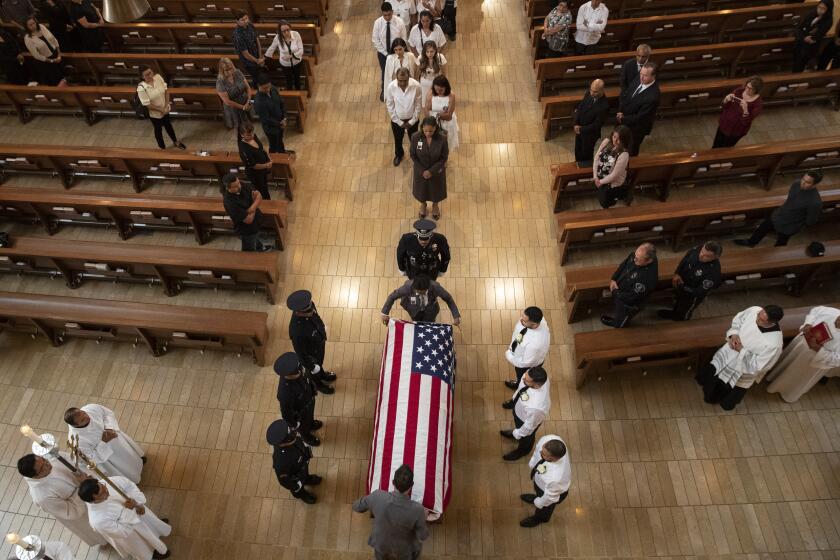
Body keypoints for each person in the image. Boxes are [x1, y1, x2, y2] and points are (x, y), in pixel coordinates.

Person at [696, 305, 784, 410]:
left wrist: (741, 351)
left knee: (726, 386)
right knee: (714, 368)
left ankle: (714, 399)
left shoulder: (774, 343)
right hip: (729, 351)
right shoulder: (755, 310)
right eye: (758, 315)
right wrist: (734, 334)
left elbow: (759, 365)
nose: (756, 319)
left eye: (761, 320)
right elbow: (739, 320)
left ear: (772, 322)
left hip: (741, 368)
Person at [17, 453, 106, 547]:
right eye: (42, 467)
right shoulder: (42, 497)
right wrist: (83, 485)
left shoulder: (50, 459)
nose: (47, 463)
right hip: (85, 511)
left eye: (43, 459)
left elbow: (70, 460)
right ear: (35, 476)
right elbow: (72, 512)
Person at [78, 477, 171, 560]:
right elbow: (123, 532)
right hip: (132, 534)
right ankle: (153, 552)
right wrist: (131, 510)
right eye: (102, 493)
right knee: (144, 545)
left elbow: (128, 484)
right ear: (93, 499)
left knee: (151, 523)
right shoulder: (97, 521)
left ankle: (157, 529)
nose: (106, 491)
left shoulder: (104, 483)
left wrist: (138, 502)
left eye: (103, 486)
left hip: (137, 511)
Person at [352, 464, 429, 559]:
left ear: (393, 482)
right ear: (411, 485)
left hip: (381, 546)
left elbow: (356, 506)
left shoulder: (377, 496)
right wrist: (423, 518)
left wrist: (372, 502)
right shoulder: (418, 510)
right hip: (404, 552)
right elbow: (423, 536)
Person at [766, 306, 839, 402]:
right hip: (801, 345)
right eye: (839, 319)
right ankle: (773, 377)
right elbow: (815, 311)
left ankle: (786, 392)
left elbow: (837, 359)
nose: (838, 322)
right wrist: (808, 324)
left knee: (797, 376)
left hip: (813, 361)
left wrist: (818, 348)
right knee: (787, 363)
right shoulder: (832, 312)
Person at [735, 170, 824, 247]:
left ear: (815, 184)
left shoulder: (815, 202)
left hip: (790, 225)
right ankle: (751, 242)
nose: (802, 183)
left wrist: (796, 223)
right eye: (803, 179)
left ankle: (776, 257)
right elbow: (790, 199)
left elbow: (810, 221)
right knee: (762, 228)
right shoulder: (796, 183)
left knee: (781, 243)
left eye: (807, 182)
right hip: (778, 215)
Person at [64, 404, 145, 484]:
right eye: (82, 420)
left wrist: (109, 427)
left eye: (84, 413)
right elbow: (91, 458)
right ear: (75, 425)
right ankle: (134, 478)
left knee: (130, 452)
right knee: (127, 466)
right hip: (111, 456)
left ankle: (140, 461)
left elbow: (107, 413)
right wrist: (103, 442)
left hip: (117, 439)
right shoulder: (76, 441)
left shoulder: (90, 408)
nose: (87, 417)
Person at [287, 289, 337, 395]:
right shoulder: (297, 332)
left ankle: (323, 375)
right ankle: (318, 385)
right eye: (307, 312)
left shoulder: (308, 306)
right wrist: (312, 367)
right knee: (313, 373)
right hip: (311, 356)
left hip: (318, 345)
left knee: (320, 365)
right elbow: (300, 354)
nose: (311, 312)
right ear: (298, 312)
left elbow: (316, 318)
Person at [658, 241, 722, 321]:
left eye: (707, 256)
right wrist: (677, 273)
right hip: (682, 282)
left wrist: (683, 287)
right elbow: (684, 260)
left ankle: (681, 320)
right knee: (678, 301)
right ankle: (674, 313)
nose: (701, 256)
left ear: (716, 257)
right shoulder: (697, 249)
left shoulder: (713, 272)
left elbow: (699, 292)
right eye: (702, 251)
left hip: (692, 295)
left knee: (684, 310)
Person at [601, 242, 658, 328]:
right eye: (635, 256)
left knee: (622, 318)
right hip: (621, 291)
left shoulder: (647, 278)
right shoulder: (637, 255)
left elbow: (632, 297)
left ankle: (618, 324)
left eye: (638, 259)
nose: (634, 259)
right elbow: (623, 265)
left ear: (649, 261)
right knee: (618, 309)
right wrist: (613, 279)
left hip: (629, 303)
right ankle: (617, 318)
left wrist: (615, 292)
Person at [500, 366, 551, 461]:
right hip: (520, 409)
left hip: (525, 420)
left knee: (526, 438)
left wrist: (518, 433)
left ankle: (522, 451)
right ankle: (517, 432)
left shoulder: (537, 407)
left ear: (536, 385)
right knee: (518, 427)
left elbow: (529, 426)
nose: (523, 379)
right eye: (525, 376)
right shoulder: (532, 375)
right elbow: (521, 388)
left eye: (526, 380)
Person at [519, 435, 571, 528]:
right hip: (542, 483)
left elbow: (550, 497)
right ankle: (537, 497)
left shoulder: (556, 478)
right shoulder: (549, 439)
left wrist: (539, 503)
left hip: (553, 492)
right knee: (539, 494)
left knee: (545, 508)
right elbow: (537, 450)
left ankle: (540, 518)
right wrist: (533, 463)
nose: (540, 452)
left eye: (543, 454)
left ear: (553, 458)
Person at [266, 419, 321, 504]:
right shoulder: (281, 462)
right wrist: (296, 486)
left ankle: (307, 479)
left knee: (305, 474)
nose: (294, 434)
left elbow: (300, 445)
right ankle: (302, 494)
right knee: (297, 490)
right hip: (295, 477)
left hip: (302, 465)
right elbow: (284, 481)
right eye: (291, 435)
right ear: (283, 442)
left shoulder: (292, 439)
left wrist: (307, 454)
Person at [274, 351, 323, 446]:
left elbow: (305, 379)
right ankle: (307, 438)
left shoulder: (298, 369)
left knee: (310, 416)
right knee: (304, 428)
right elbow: (286, 413)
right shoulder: (285, 393)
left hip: (308, 400)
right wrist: (294, 424)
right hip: (301, 412)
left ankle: (312, 424)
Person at [137, 66, 186, 151]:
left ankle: (175, 141)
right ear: (142, 77)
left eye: (150, 72)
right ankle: (162, 147)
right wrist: (161, 110)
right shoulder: (141, 88)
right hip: (155, 114)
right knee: (158, 130)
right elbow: (147, 104)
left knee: (168, 125)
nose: (150, 75)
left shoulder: (158, 77)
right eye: (146, 75)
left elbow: (166, 91)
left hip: (165, 109)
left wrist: (166, 105)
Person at [221, 173, 273, 252]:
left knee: (255, 237)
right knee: (249, 251)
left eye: (238, 183)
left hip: (255, 222)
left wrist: (251, 209)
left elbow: (259, 195)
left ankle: (260, 248)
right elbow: (248, 220)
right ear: (228, 188)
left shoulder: (241, 185)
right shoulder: (230, 203)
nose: (239, 186)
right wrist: (254, 202)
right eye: (235, 186)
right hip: (246, 230)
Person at [381, 273, 461, 324]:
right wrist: (385, 313)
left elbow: (448, 299)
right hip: (413, 309)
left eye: (423, 292)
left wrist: (456, 316)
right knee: (415, 320)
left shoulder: (435, 287)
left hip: (431, 310)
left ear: (428, 287)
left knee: (430, 322)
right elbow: (392, 297)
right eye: (418, 292)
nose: (420, 294)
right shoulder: (407, 287)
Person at [616, 62, 659, 156]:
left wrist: (623, 118)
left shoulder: (653, 96)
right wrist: (620, 110)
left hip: (635, 129)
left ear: (653, 76)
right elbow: (626, 94)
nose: (641, 78)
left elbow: (640, 117)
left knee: (631, 150)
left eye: (645, 76)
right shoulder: (639, 79)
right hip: (624, 119)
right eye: (641, 74)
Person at [410, 116, 448, 219]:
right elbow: (413, 155)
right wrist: (422, 171)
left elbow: (444, 157)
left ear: (435, 128)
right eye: (425, 130)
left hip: (436, 172)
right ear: (422, 127)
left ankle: (435, 206)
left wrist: (431, 171)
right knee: (421, 191)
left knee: (436, 191)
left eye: (430, 131)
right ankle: (423, 205)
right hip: (420, 171)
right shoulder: (415, 137)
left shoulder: (442, 138)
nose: (428, 133)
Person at [504, 306, 550, 389]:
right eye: (522, 316)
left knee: (523, 377)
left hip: (527, 365)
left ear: (534, 324)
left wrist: (508, 354)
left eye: (524, 321)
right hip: (521, 351)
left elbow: (524, 363)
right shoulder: (539, 318)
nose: (521, 320)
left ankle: (518, 385)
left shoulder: (535, 345)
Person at [712, 76, 763, 148]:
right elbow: (724, 107)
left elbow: (746, 122)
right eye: (747, 86)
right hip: (724, 123)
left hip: (736, 131)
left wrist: (745, 110)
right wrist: (726, 100)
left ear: (756, 90)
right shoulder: (739, 91)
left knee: (726, 148)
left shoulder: (758, 103)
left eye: (750, 89)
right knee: (716, 145)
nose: (747, 90)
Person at [385, 66, 422, 167]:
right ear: (396, 78)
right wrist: (399, 121)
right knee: (398, 139)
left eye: (405, 80)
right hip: (397, 120)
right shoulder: (391, 87)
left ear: (409, 77)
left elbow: (418, 104)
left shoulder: (416, 86)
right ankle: (399, 155)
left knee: (415, 139)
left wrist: (413, 120)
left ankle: (417, 155)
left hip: (412, 120)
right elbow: (390, 105)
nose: (402, 83)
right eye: (400, 80)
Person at [373, 2, 407, 101]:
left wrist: (399, 51)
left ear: (392, 12)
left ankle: (400, 90)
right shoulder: (378, 23)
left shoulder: (399, 22)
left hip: (398, 53)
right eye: (385, 15)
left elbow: (404, 38)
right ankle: (385, 90)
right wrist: (386, 53)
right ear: (382, 13)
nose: (387, 17)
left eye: (389, 14)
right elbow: (375, 40)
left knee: (399, 71)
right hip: (383, 53)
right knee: (385, 72)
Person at [253, 73, 294, 154]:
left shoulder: (273, 89)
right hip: (271, 128)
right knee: (273, 145)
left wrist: (285, 117)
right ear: (259, 86)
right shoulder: (258, 102)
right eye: (265, 88)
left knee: (280, 141)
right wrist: (280, 124)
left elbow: (281, 103)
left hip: (281, 122)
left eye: (269, 86)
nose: (268, 89)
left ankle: (282, 152)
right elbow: (266, 119)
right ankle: (274, 159)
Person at [592, 124, 632, 208]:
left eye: (619, 139)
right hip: (600, 178)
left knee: (605, 201)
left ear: (624, 140)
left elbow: (614, 175)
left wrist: (600, 182)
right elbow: (596, 158)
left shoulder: (624, 155)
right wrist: (595, 176)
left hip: (611, 184)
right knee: (601, 195)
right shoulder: (607, 141)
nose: (615, 140)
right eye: (614, 137)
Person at [23, 16, 67, 86]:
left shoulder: (41, 27)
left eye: (33, 23)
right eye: (30, 25)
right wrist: (52, 61)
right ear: (26, 27)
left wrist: (59, 53)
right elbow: (36, 55)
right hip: (46, 62)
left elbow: (54, 39)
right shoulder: (28, 38)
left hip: (56, 54)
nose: (33, 26)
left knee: (63, 76)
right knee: (55, 81)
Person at [792, 1, 832, 72]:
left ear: (828, 10)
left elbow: (819, 34)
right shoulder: (811, 13)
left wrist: (808, 36)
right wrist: (804, 37)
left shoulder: (828, 21)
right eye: (819, 7)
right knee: (796, 62)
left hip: (809, 47)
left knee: (800, 64)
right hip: (800, 42)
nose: (820, 10)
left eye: (823, 8)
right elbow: (798, 28)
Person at [265, 20, 304, 90]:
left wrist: (292, 56)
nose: (286, 33)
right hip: (285, 64)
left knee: (297, 80)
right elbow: (272, 48)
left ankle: (299, 96)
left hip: (297, 62)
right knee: (289, 82)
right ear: (280, 31)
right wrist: (265, 58)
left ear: (290, 28)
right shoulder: (277, 37)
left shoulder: (296, 34)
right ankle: (291, 98)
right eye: (283, 31)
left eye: (288, 30)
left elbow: (301, 50)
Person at [237, 121, 272, 200]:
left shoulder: (253, 136)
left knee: (265, 187)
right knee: (261, 190)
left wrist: (269, 157)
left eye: (253, 133)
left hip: (263, 169)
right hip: (255, 174)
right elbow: (253, 165)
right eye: (249, 135)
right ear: (242, 135)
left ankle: (268, 200)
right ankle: (265, 205)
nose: (252, 136)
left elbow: (261, 147)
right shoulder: (244, 148)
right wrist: (266, 165)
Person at [216, 56, 253, 130]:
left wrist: (248, 100)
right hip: (233, 108)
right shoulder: (220, 82)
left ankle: (250, 137)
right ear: (222, 70)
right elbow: (227, 101)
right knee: (239, 127)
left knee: (249, 124)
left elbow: (248, 87)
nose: (230, 71)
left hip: (245, 101)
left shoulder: (238, 72)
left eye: (231, 68)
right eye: (227, 70)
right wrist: (242, 107)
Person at [426, 75, 459, 150]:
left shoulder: (451, 95)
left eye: (441, 90)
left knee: (446, 143)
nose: (438, 92)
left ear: (446, 87)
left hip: (447, 122)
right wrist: (429, 122)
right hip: (433, 121)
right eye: (436, 90)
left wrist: (438, 116)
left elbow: (449, 116)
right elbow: (427, 108)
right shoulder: (430, 93)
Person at [232, 10, 264, 82]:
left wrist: (260, 56)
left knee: (261, 76)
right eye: (242, 20)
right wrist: (257, 61)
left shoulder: (250, 25)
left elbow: (257, 41)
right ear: (237, 21)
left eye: (246, 18)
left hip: (257, 56)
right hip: (249, 62)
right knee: (256, 78)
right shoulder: (237, 35)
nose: (245, 21)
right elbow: (246, 54)